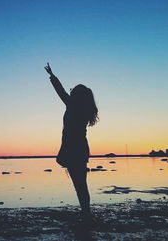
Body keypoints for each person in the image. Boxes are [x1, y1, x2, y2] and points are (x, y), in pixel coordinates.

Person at [44, 62, 99, 220]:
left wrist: (53, 77)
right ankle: (86, 211)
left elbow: (60, 92)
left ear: (77, 96)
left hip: (73, 148)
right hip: (80, 148)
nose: (71, 93)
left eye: (73, 91)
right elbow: (62, 92)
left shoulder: (73, 106)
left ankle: (86, 212)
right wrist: (53, 77)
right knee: (81, 183)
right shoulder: (85, 108)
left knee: (79, 184)